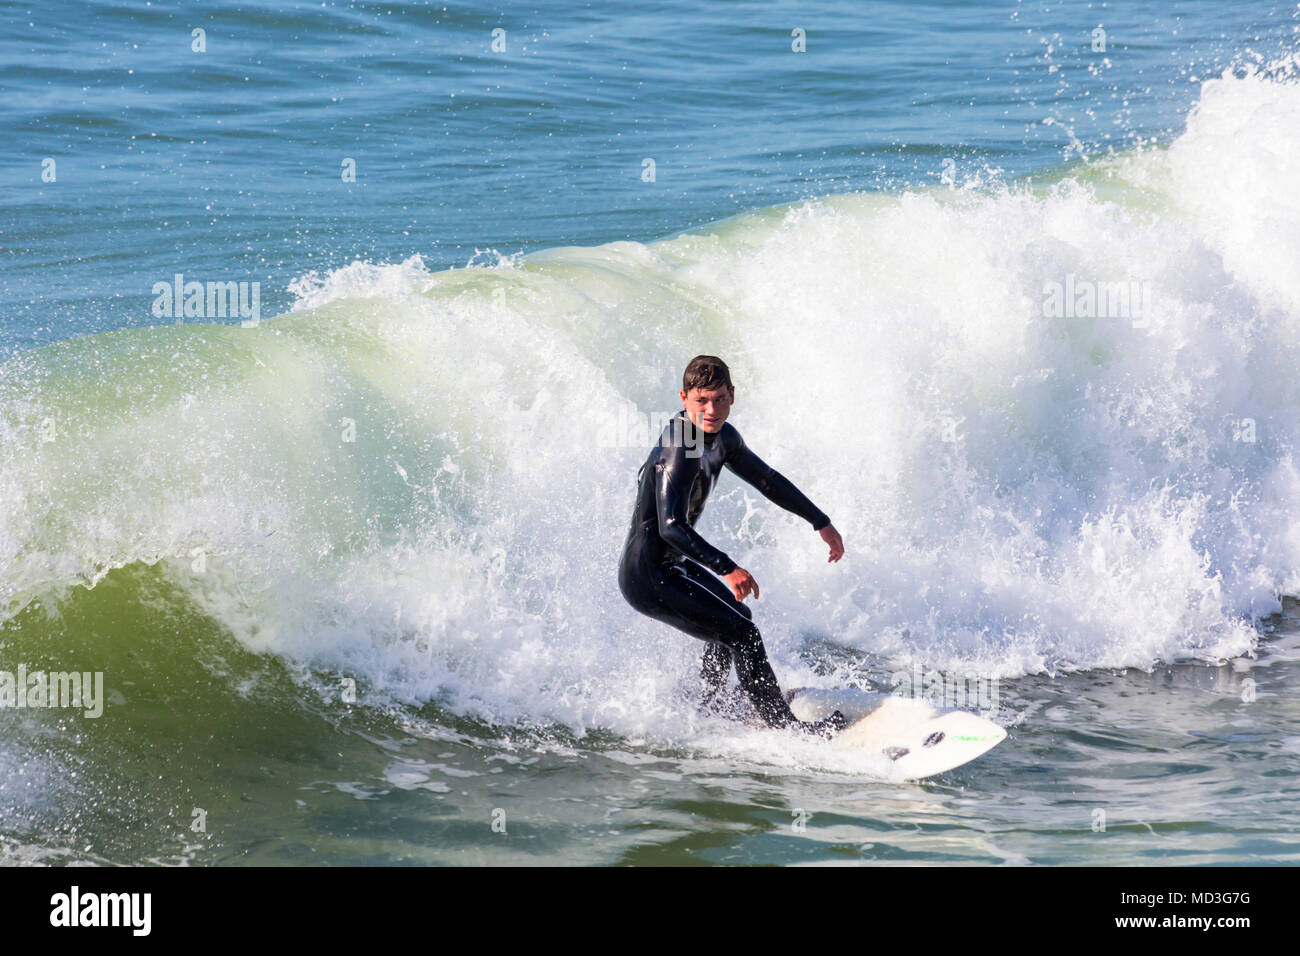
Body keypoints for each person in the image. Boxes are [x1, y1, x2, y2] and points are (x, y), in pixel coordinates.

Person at [617, 354, 848, 737]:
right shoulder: (680, 445)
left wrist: (819, 520)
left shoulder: (723, 437)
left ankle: (709, 707)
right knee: (742, 634)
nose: (712, 410)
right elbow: (671, 526)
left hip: (670, 566)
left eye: (720, 399)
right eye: (702, 400)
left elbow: (768, 480)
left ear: (733, 395)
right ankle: (787, 732)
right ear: (684, 398)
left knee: (738, 624)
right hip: (647, 575)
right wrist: (727, 567)